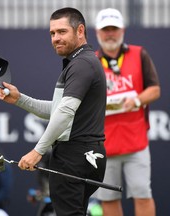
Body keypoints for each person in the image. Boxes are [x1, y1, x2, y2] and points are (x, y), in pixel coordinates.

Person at [0, 7, 107, 216]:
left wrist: (37, 151)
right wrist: (20, 99)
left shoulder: (82, 63)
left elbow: (65, 112)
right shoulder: (81, 62)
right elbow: (58, 110)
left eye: (62, 31)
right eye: (52, 33)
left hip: (74, 156)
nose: (56, 38)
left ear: (80, 30)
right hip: (88, 155)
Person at [93, 8, 160, 216]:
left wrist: (138, 100)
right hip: (103, 143)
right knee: (108, 197)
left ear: (122, 30)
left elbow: (155, 89)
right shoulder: (91, 60)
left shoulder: (139, 54)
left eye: (114, 28)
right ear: (97, 32)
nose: (110, 33)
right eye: (105, 29)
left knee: (142, 193)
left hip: (135, 141)